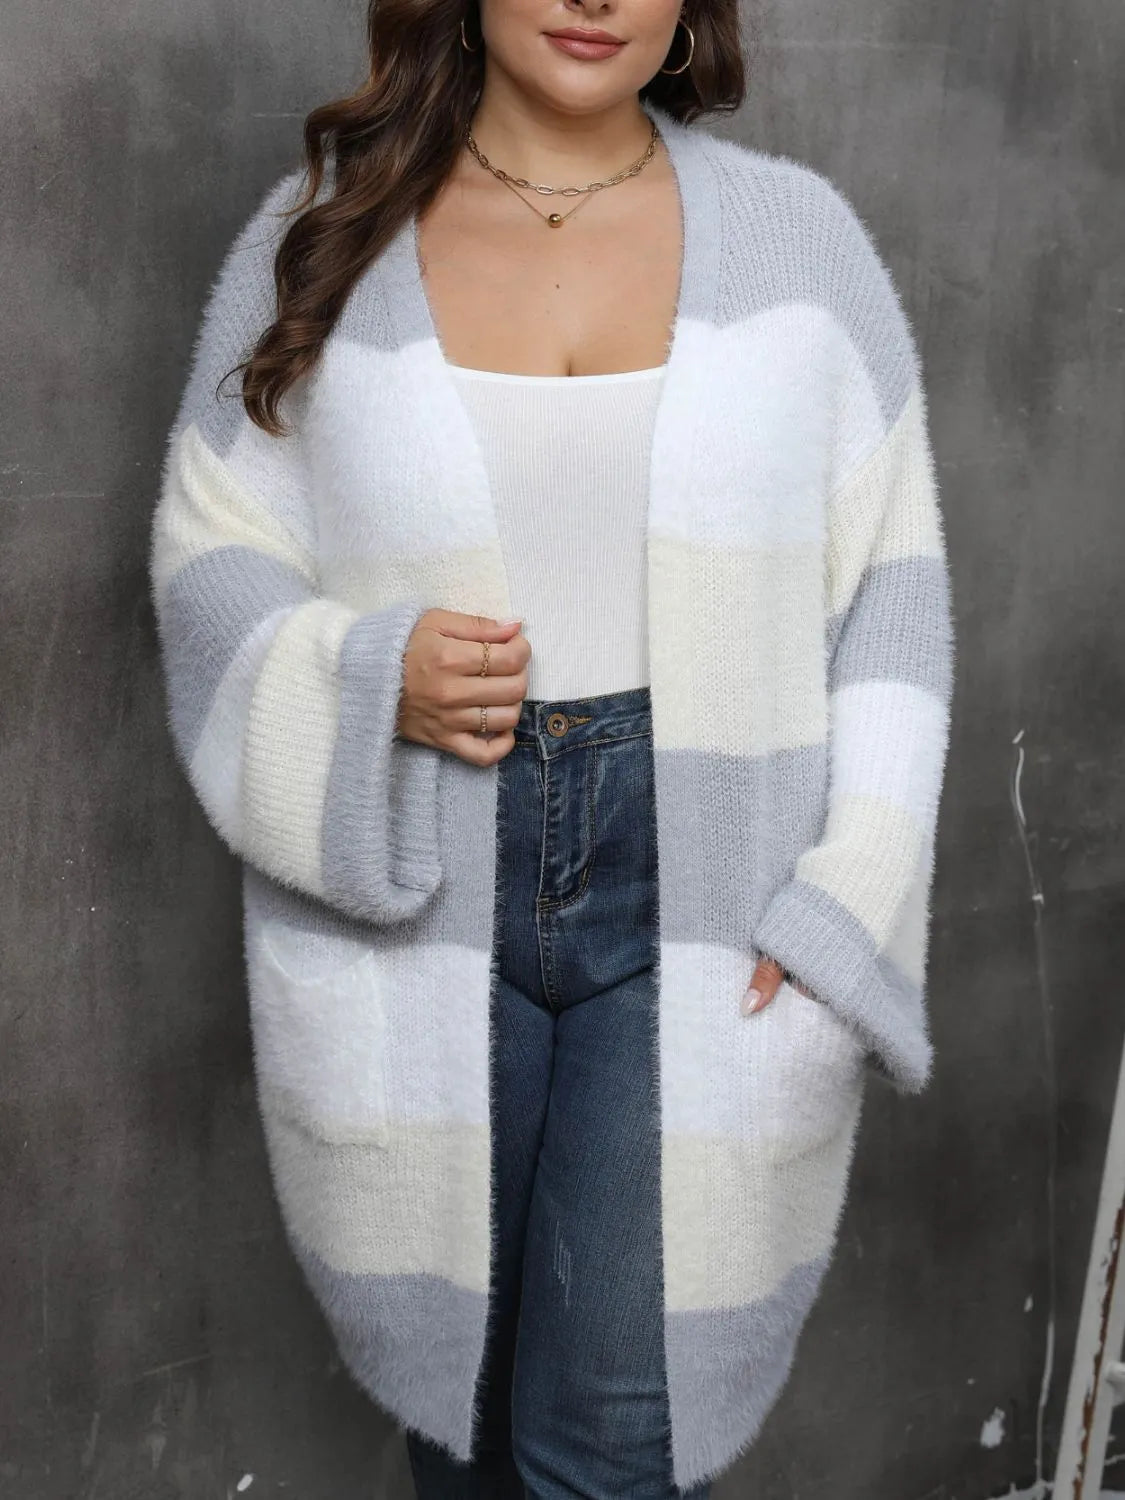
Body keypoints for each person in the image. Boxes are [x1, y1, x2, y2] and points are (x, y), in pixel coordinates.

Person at [150, 0, 955, 1494]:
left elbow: (892, 602)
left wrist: (845, 902)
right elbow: (213, 558)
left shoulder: (799, 245)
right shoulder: (325, 234)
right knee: (459, 1438)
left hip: (710, 888)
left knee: (603, 1451)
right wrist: (371, 680)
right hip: (424, 872)